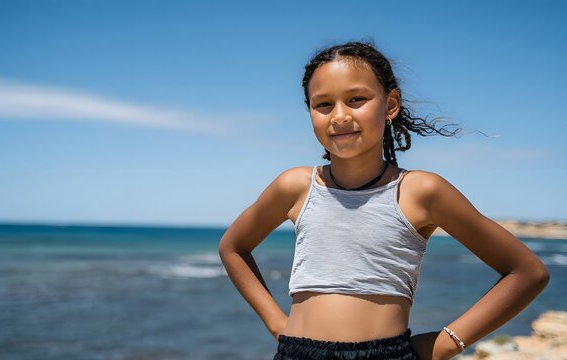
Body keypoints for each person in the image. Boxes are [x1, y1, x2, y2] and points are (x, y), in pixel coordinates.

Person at [218, 40, 550, 360]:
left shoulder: (421, 191)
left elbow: (527, 272)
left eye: (356, 99)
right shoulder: (295, 186)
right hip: (296, 352)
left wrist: (450, 342)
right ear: (310, 113)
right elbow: (233, 247)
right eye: (323, 104)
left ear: (390, 105)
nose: (339, 116)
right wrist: (277, 324)